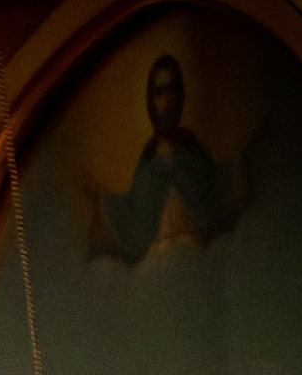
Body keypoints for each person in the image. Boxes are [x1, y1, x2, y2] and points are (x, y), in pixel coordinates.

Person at [87, 48, 248, 261]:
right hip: (159, 267)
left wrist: (241, 161)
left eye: (172, 90)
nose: (167, 101)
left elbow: (215, 193)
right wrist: (102, 198)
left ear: (180, 94)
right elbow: (136, 215)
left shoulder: (192, 148)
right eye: (159, 92)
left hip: (199, 260)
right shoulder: (148, 159)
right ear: (150, 101)